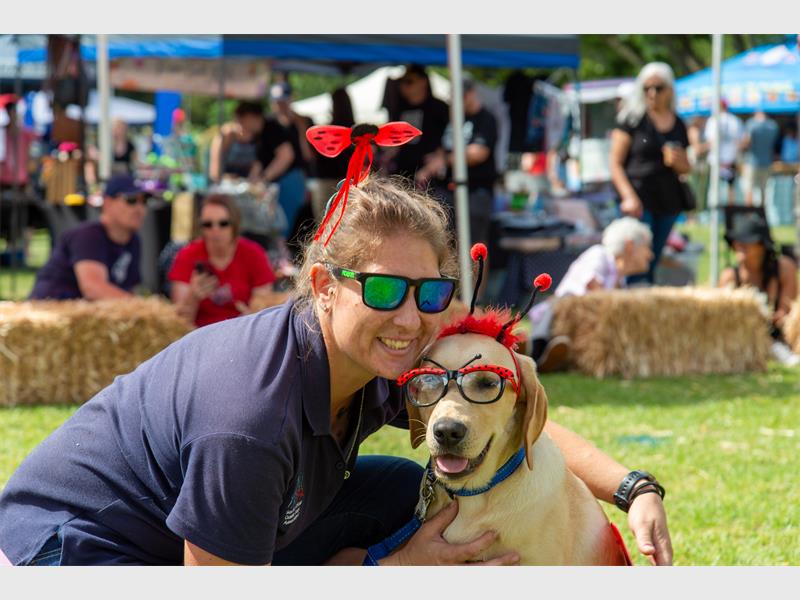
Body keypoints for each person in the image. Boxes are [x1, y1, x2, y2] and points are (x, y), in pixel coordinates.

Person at [0, 177, 671, 566]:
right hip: (70, 551)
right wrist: (391, 571)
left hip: (209, 524)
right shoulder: (251, 423)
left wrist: (635, 488)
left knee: (402, 491)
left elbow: (524, 421)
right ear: (322, 285)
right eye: (383, 290)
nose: (410, 316)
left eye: (430, 292)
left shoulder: (390, 360)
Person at [528, 217, 654, 372]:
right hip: (559, 313)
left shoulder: (621, 280)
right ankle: (536, 352)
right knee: (564, 301)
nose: (650, 255)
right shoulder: (599, 254)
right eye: (647, 248)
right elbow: (594, 289)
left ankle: (554, 358)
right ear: (629, 245)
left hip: (583, 328)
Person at [610, 62, 692, 285]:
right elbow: (615, 163)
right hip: (638, 199)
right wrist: (628, 196)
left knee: (651, 259)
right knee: (633, 260)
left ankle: (645, 302)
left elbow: (687, 168)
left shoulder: (678, 124)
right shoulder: (632, 120)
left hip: (667, 200)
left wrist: (678, 161)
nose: (652, 93)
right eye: (647, 88)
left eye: (659, 87)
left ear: (670, 90)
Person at [28, 174, 148, 300]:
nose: (139, 208)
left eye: (144, 201)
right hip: (55, 309)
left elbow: (129, 288)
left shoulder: (133, 241)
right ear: (107, 203)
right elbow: (93, 288)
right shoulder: (89, 236)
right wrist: (141, 306)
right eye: (131, 200)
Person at [168, 194, 276, 327]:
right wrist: (193, 296)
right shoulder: (187, 255)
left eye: (223, 223)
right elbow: (179, 322)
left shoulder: (254, 254)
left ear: (234, 225)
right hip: (199, 336)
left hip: (241, 333)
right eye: (208, 224)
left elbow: (263, 311)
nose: (215, 230)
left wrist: (249, 317)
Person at [418, 74, 498, 248]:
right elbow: (443, 146)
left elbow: (478, 153)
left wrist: (445, 160)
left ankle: (476, 277)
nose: (457, 101)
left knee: (475, 246)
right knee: (446, 242)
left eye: (461, 96)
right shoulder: (453, 118)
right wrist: (436, 160)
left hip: (475, 191)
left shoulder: (486, 119)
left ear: (472, 93)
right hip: (447, 189)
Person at [719, 211, 799, 366]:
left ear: (762, 246)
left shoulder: (784, 268)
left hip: (778, 337)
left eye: (747, 242)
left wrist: (773, 318)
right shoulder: (729, 277)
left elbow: (787, 314)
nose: (739, 246)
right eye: (737, 241)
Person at [383, 64, 450, 181]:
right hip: (403, 172)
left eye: (409, 82)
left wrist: (441, 156)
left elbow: (450, 138)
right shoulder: (399, 108)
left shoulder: (439, 108)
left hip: (430, 176)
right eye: (402, 82)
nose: (403, 86)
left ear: (423, 82)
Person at [268, 81, 313, 238]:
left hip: (294, 179)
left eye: (283, 101)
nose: (280, 105)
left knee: (288, 224)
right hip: (272, 181)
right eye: (277, 101)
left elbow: (308, 155)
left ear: (290, 100)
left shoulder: (301, 122)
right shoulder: (270, 124)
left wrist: (301, 127)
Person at [310, 87, 355, 221]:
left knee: (323, 223)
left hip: (326, 180)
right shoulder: (354, 130)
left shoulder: (330, 131)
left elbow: (313, 155)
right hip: (347, 181)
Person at [701, 100, 744, 205]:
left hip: (716, 160)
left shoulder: (713, 120)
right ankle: (729, 213)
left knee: (714, 187)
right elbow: (741, 142)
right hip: (730, 159)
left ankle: (714, 212)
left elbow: (710, 142)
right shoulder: (735, 120)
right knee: (731, 189)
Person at [741, 109, 779, 207]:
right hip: (767, 162)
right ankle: (762, 216)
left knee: (749, 189)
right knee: (763, 190)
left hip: (752, 162)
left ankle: (749, 215)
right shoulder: (773, 125)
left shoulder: (751, 124)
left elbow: (747, 142)